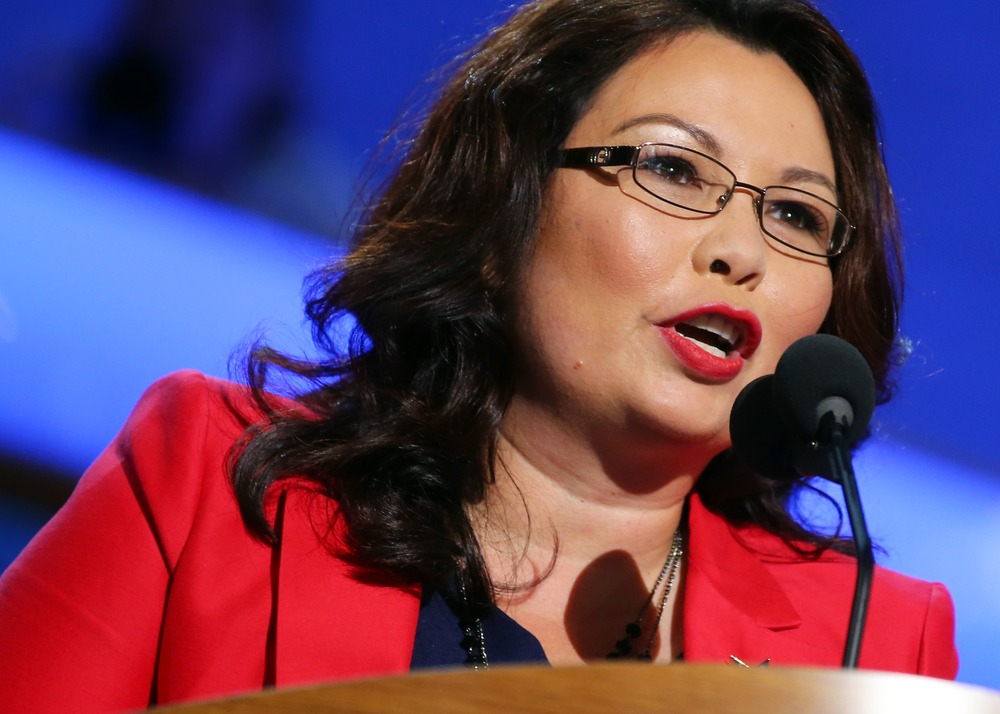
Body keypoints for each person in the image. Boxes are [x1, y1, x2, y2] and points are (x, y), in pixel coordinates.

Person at [0, 0, 958, 710]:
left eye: (796, 215)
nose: (740, 251)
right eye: (671, 168)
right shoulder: (212, 480)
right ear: (505, 208)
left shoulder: (876, 642)